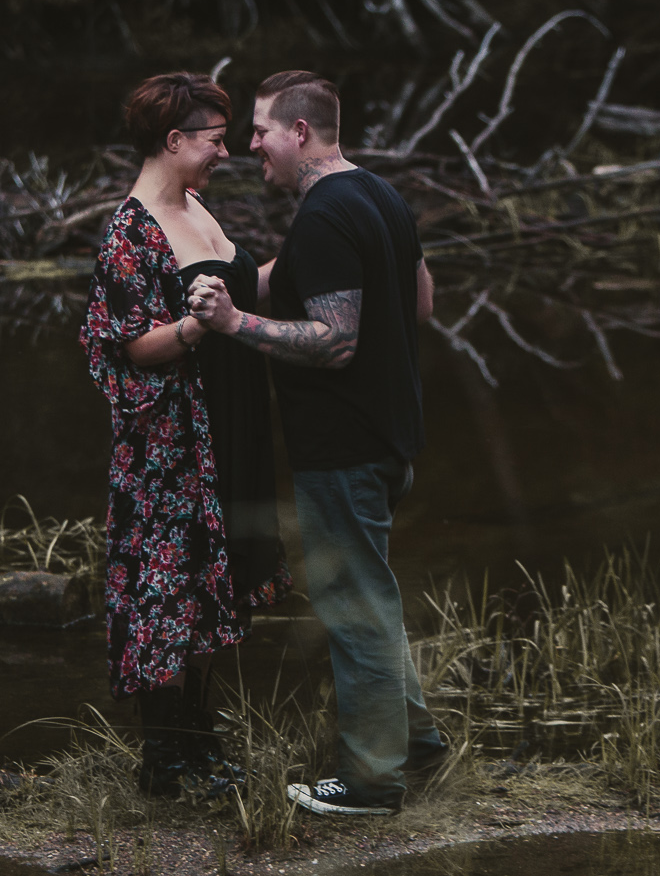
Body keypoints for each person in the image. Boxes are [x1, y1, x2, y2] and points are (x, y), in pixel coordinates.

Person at [186, 70, 444, 817]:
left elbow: (335, 341)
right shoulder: (378, 195)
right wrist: (237, 283)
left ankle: (370, 784)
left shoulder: (325, 214)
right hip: (390, 438)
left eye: (263, 128)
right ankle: (418, 745)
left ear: (300, 132)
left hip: (344, 447)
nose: (251, 143)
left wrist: (235, 325)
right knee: (373, 594)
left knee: (352, 606)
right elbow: (419, 297)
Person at [79, 71, 290, 798]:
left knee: (212, 575)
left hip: (225, 417)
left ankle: (200, 741)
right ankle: (164, 755)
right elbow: (131, 345)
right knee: (167, 584)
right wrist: (201, 324)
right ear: (174, 141)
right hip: (171, 440)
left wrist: (311, 252)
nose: (224, 152)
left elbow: (238, 284)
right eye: (212, 139)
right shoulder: (130, 232)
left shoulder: (197, 206)